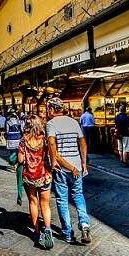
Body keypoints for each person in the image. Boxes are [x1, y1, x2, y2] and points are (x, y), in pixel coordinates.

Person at [46, 97, 91, 245]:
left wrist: (54, 161)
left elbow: (52, 145)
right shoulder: (73, 122)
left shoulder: (51, 124)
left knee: (62, 200)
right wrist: (83, 163)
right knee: (78, 195)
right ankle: (84, 224)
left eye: (48, 109)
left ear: (52, 109)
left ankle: (67, 233)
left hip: (61, 167)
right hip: (77, 165)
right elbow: (83, 143)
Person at [18, 115, 54, 249]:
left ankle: (37, 232)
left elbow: (21, 160)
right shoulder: (45, 139)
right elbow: (51, 156)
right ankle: (48, 229)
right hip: (44, 175)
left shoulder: (24, 140)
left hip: (29, 176)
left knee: (33, 202)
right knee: (45, 204)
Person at [5, 109, 24, 205]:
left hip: (11, 139)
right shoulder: (19, 121)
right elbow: (22, 130)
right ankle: (15, 163)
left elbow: (7, 131)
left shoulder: (8, 122)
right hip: (18, 138)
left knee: (12, 153)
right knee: (18, 152)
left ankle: (13, 164)